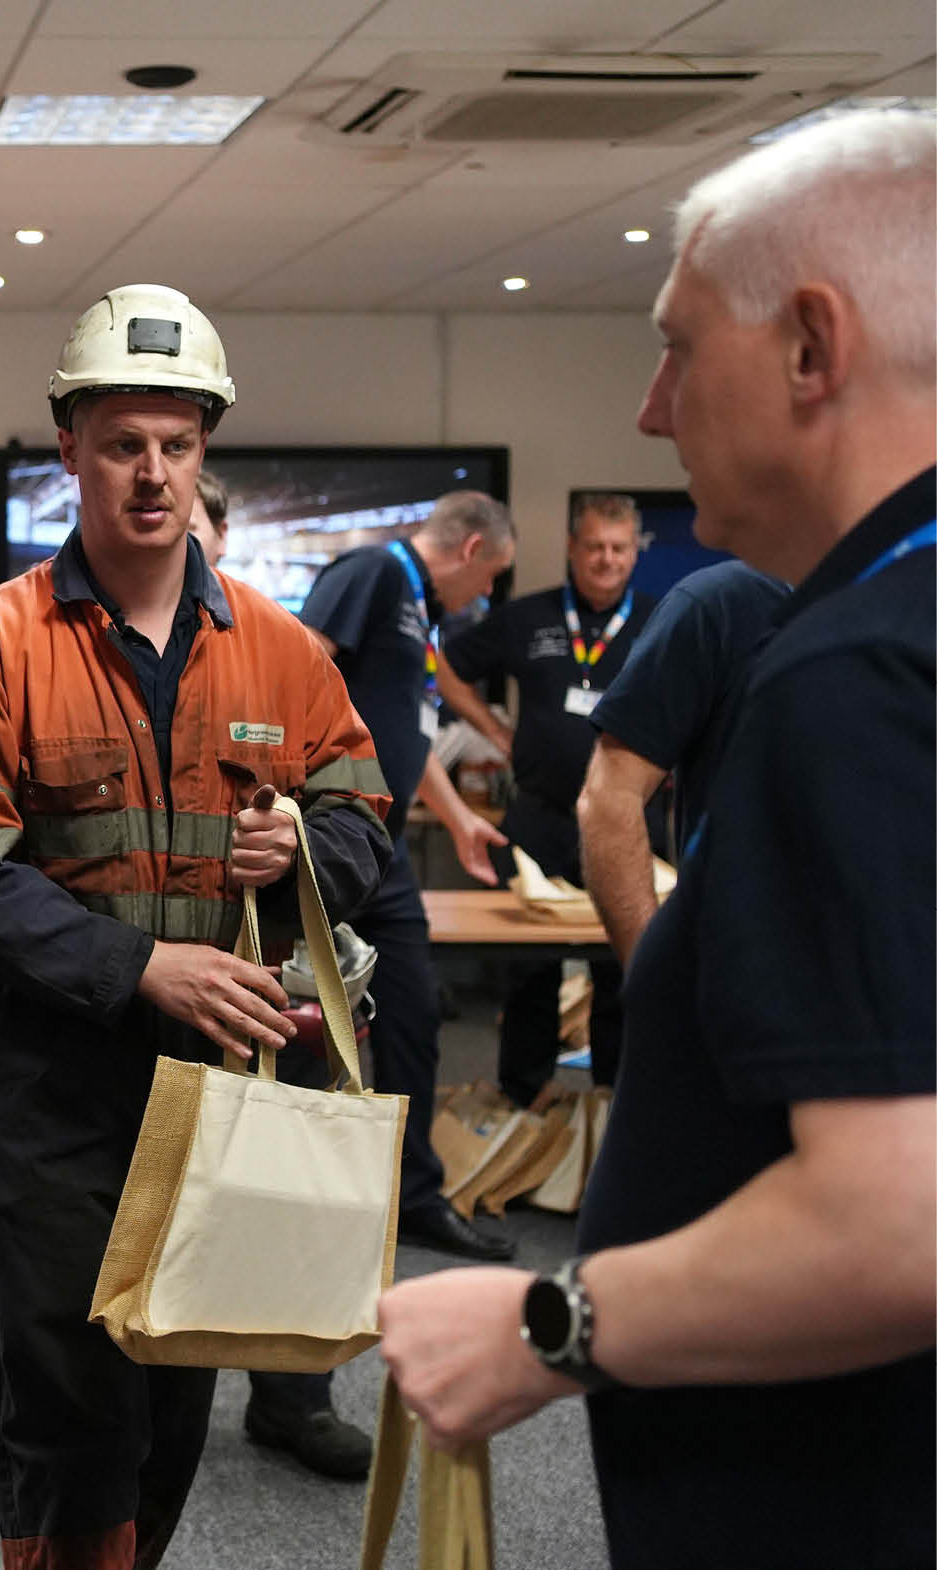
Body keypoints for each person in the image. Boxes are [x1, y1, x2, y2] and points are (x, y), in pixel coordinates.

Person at [377, 110, 935, 1570]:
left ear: (812, 347)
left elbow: (900, 1223)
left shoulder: (858, 675)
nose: (648, 408)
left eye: (681, 348)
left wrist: (545, 1323)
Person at [0, 284, 394, 1566]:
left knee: (172, 1410)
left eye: (176, 444)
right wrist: (141, 968)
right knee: (66, 1417)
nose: (152, 473)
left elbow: (363, 820)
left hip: (211, 1096)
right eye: (123, 443)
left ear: (204, 450)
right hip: (45, 1102)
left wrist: (308, 849)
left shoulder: (284, 651)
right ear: (70, 448)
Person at [297, 492, 524, 1266]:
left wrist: (458, 820)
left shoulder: (421, 613)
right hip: (331, 836)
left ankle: (415, 1197)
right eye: (491, 577)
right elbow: (298, 665)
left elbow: (407, 733)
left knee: (413, 1018)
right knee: (305, 1031)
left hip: (385, 853)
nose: (486, 594)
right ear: (470, 550)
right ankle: (296, 1201)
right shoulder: (375, 572)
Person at [439, 491, 658, 1107]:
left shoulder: (660, 620)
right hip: (539, 818)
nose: (606, 559)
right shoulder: (529, 617)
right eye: (594, 547)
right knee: (529, 970)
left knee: (624, 962)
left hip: (628, 820)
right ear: (572, 548)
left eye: (618, 548)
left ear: (634, 553)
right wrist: (495, 730)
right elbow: (444, 666)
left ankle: (619, 1098)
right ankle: (523, 1098)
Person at [576, 559, 786, 966]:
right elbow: (609, 798)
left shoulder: (904, 613)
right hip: (746, 967)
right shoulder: (723, 604)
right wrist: (649, 975)